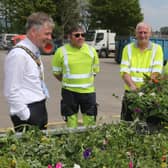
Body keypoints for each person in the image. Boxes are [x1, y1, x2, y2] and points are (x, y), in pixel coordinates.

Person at [4, 12, 55, 131]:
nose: (50, 38)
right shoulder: (19, 55)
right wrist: (26, 116)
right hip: (28, 113)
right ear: (33, 32)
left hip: (39, 107)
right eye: (47, 34)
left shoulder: (32, 52)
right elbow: (11, 91)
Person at [52, 25, 100, 128]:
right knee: (71, 122)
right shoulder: (61, 51)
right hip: (69, 92)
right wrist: (68, 82)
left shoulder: (92, 51)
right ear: (69, 37)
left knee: (90, 122)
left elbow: (95, 71)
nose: (80, 37)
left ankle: (89, 143)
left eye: (83, 35)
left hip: (88, 92)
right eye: (77, 35)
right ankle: (72, 141)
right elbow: (56, 73)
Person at [120, 22, 163, 121]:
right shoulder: (128, 49)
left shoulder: (157, 49)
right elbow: (124, 71)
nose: (142, 35)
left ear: (150, 34)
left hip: (149, 94)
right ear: (136, 34)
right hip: (131, 92)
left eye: (145, 32)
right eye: (140, 32)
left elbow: (156, 72)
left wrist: (144, 89)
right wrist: (132, 86)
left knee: (148, 125)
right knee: (127, 124)